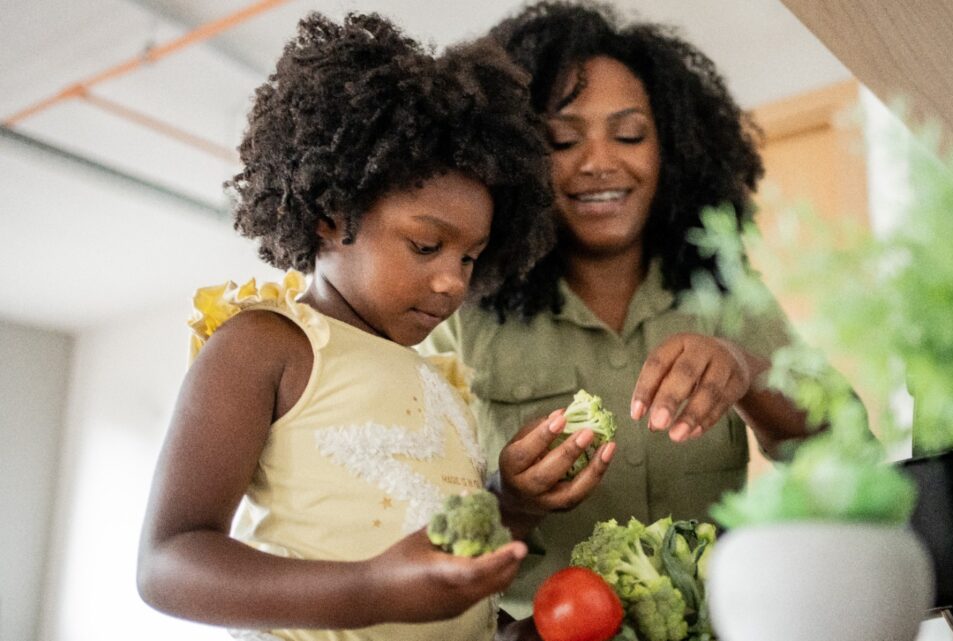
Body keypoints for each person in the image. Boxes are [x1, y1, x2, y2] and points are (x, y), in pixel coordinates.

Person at [135, 12, 614, 641]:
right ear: (332, 216)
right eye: (425, 246)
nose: (453, 282)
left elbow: (444, 576)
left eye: (470, 257)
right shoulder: (267, 345)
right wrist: (368, 590)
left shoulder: (442, 381)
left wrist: (512, 505)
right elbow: (167, 562)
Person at [419, 0, 829, 619]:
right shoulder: (457, 307)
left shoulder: (722, 287)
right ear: (515, 159)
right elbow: (415, 534)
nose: (600, 163)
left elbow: (841, 438)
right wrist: (511, 501)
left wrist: (746, 370)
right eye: (562, 140)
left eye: (630, 134)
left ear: (674, 149)